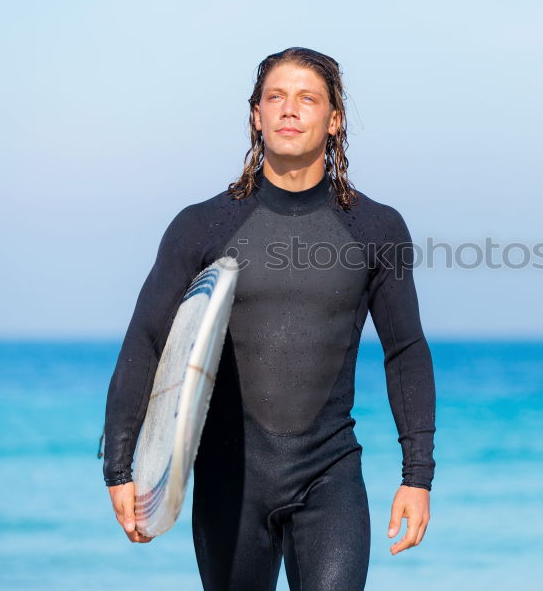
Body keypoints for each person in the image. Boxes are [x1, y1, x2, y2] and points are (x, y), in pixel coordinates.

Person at [100, 47, 436, 590]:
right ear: (256, 114)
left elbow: (405, 351)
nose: (289, 110)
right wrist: (121, 464)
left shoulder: (375, 227)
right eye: (275, 97)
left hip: (330, 477)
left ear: (334, 120)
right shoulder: (202, 226)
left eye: (307, 99)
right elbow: (147, 338)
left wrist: (417, 477)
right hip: (229, 480)